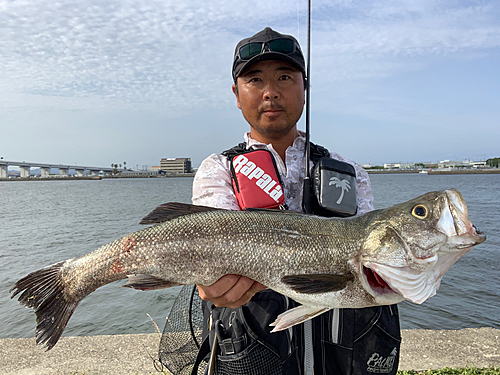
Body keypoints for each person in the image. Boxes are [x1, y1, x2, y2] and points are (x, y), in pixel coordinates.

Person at [191, 27, 401, 375]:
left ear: (305, 87)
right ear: (236, 93)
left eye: (285, 77)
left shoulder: (350, 172)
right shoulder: (218, 170)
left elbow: (373, 257)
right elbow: (212, 245)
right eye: (255, 80)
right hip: (256, 356)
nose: (270, 92)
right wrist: (209, 279)